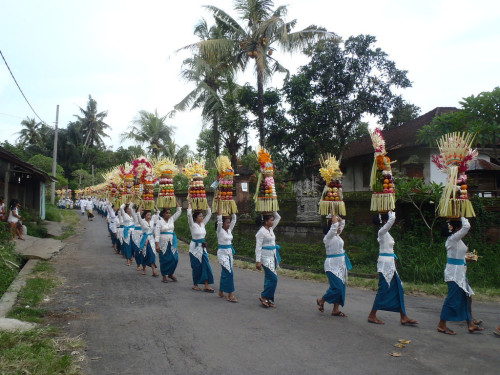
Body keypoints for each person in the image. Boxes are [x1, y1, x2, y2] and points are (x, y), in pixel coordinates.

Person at [367, 211, 418, 325]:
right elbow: (391, 221)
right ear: (384, 221)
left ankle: (403, 316)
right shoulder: (381, 232)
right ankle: (372, 315)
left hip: (390, 264)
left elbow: (390, 222)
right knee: (383, 289)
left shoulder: (386, 233)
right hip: (385, 264)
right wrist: (391, 211)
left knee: (398, 288)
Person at [437, 217, 483, 334]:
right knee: (452, 299)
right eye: (460, 227)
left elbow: (459, 255)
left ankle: (470, 324)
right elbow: (467, 226)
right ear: (457, 229)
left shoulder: (455, 240)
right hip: (455, 274)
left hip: (460, 273)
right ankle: (442, 324)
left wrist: (467, 258)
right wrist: (463, 215)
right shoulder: (453, 239)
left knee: (465, 299)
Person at [316, 214, 350, 317]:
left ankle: (336, 309)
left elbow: (342, 222)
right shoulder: (328, 237)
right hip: (332, 265)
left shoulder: (337, 236)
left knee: (341, 288)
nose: (339, 228)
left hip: (340, 265)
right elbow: (334, 226)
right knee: (337, 287)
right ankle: (321, 300)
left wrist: (336, 216)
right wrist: (333, 215)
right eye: (337, 227)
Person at [255, 211, 281, 308]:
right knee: (273, 278)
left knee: (269, 279)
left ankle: (268, 298)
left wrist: (273, 210)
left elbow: (278, 218)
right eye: (271, 220)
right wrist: (258, 261)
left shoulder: (270, 229)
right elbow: (258, 247)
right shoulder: (261, 232)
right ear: (266, 222)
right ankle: (263, 296)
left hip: (272, 256)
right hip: (265, 257)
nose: (273, 222)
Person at [187, 203, 214, 292]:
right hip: (194, 248)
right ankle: (195, 284)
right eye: (200, 216)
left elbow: (209, 213)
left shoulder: (203, 224)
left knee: (206, 265)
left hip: (203, 248)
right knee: (196, 266)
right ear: (195, 218)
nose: (202, 218)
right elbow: (189, 214)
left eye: (202, 216)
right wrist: (190, 203)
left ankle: (206, 285)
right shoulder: (192, 225)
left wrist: (205, 202)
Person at [154, 203, 182, 283]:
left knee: (175, 258)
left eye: (169, 213)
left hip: (172, 242)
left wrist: (173, 200)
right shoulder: (160, 221)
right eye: (167, 213)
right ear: (163, 214)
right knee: (164, 259)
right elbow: (157, 234)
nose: (168, 214)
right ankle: (164, 275)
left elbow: (179, 211)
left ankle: (171, 273)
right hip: (163, 242)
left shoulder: (172, 219)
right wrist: (157, 245)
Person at [216, 205, 238, 302]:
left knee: (225, 272)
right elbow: (219, 219)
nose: (229, 224)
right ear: (223, 224)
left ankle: (221, 290)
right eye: (227, 223)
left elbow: (234, 219)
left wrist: (231, 206)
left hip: (229, 254)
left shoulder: (229, 230)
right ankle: (230, 294)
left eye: (229, 223)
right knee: (229, 273)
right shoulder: (219, 230)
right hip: (222, 254)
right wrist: (220, 203)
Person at [136, 204, 159, 277]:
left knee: (152, 254)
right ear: (145, 215)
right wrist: (141, 204)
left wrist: (154, 205)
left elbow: (158, 212)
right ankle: (144, 269)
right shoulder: (142, 221)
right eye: (148, 215)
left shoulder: (152, 221)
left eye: (150, 215)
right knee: (144, 254)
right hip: (144, 239)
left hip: (151, 239)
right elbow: (138, 214)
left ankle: (153, 271)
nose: (149, 216)